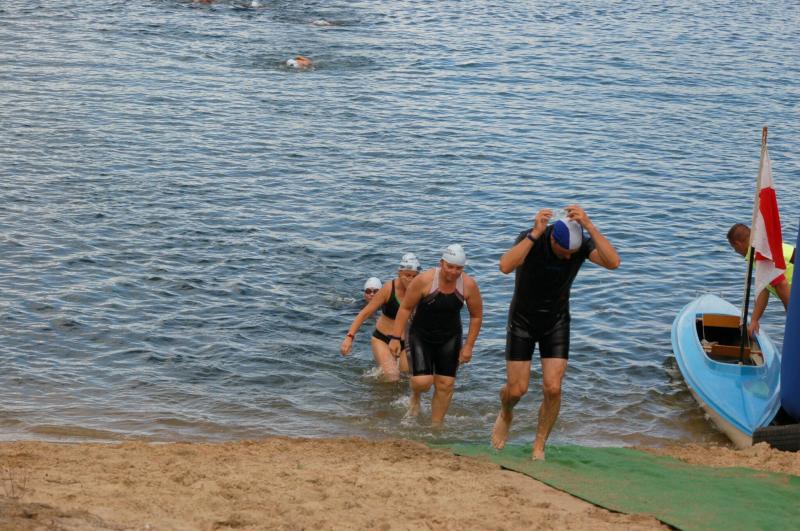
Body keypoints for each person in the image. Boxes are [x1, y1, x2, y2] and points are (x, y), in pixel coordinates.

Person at [491, 205, 620, 460]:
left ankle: (539, 444)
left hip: (556, 322)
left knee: (553, 388)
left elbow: (613, 262)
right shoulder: (533, 238)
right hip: (522, 321)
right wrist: (533, 235)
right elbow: (505, 266)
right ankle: (506, 412)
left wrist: (589, 225)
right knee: (516, 391)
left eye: (573, 253)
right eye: (564, 253)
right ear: (553, 240)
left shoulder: (579, 246)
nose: (569, 258)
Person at [388, 244, 483, 425]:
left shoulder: (468, 285)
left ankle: (436, 426)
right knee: (423, 382)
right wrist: (395, 337)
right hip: (420, 335)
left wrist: (469, 346)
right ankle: (415, 395)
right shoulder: (425, 280)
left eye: (459, 268)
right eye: (450, 266)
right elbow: (405, 308)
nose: (454, 272)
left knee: (445, 385)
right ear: (441, 263)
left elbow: (476, 316)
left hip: (450, 338)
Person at [341, 254, 422, 382]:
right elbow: (364, 313)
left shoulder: (420, 291)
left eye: (414, 276)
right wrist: (349, 337)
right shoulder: (389, 289)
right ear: (399, 273)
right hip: (383, 339)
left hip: (407, 342)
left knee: (407, 378)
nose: (411, 279)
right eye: (407, 275)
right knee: (392, 376)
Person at [726, 223, 794, 336]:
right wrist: (754, 320)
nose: (735, 251)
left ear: (738, 244)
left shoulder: (761, 255)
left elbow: (781, 284)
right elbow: (764, 289)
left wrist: (792, 316)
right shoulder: (760, 248)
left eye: (734, 248)